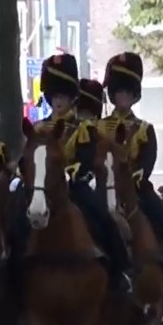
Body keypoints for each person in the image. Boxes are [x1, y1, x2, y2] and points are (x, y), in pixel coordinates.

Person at [99, 52, 163, 304]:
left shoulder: (144, 129)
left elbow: (148, 159)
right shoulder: (97, 128)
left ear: (134, 95)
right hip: (104, 188)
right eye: (118, 91)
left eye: (127, 92)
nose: (122, 96)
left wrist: (136, 175)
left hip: (137, 189)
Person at [35, 53, 132, 297]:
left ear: (72, 98)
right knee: (13, 218)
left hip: (73, 186)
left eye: (63, 96)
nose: (58, 101)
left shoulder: (84, 128)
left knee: (104, 217)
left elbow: (86, 158)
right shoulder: (39, 128)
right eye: (55, 96)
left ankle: (119, 272)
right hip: (41, 187)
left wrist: (73, 172)